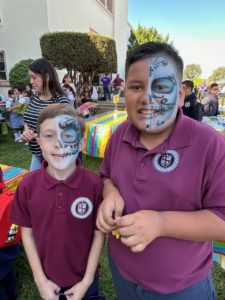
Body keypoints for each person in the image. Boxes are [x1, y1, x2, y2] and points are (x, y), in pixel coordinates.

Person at [96, 42, 225, 300]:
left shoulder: (209, 145)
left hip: (183, 287)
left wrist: (161, 223)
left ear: (180, 94)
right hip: (123, 274)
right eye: (136, 87)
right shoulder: (120, 133)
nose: (147, 97)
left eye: (162, 86)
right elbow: (107, 175)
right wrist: (110, 193)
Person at [10, 103, 105, 300]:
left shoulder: (95, 186)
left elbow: (98, 235)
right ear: (39, 141)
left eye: (68, 135)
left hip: (86, 281)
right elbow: (27, 234)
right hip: (47, 279)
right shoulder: (27, 186)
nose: (58, 143)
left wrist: (86, 281)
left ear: (81, 143)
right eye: (49, 135)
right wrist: (40, 281)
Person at [21, 58, 70, 171]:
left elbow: (67, 132)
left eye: (34, 77)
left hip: (54, 157)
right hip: (37, 155)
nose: (31, 81)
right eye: (30, 77)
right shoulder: (34, 97)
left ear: (47, 77)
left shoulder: (60, 101)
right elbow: (28, 119)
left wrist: (39, 136)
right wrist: (26, 131)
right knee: (35, 186)